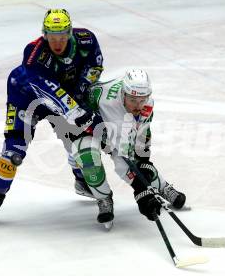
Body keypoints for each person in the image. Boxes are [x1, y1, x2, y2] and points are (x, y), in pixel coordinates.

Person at [0, 8, 104, 225]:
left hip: (65, 95)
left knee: (75, 140)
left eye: (62, 36)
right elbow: (49, 90)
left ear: (70, 33)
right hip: (26, 97)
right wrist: (76, 110)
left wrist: (81, 92)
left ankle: (81, 182)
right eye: (52, 37)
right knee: (14, 150)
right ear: (44, 34)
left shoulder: (86, 40)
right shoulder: (34, 54)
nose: (57, 42)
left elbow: (95, 65)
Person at [70, 69, 186, 227]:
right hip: (86, 128)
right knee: (86, 153)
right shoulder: (111, 106)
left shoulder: (146, 103)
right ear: (124, 94)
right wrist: (142, 192)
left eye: (142, 100)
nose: (138, 106)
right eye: (133, 100)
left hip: (112, 129)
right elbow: (123, 161)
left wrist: (145, 162)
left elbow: (142, 135)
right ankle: (103, 197)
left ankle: (162, 186)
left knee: (139, 164)